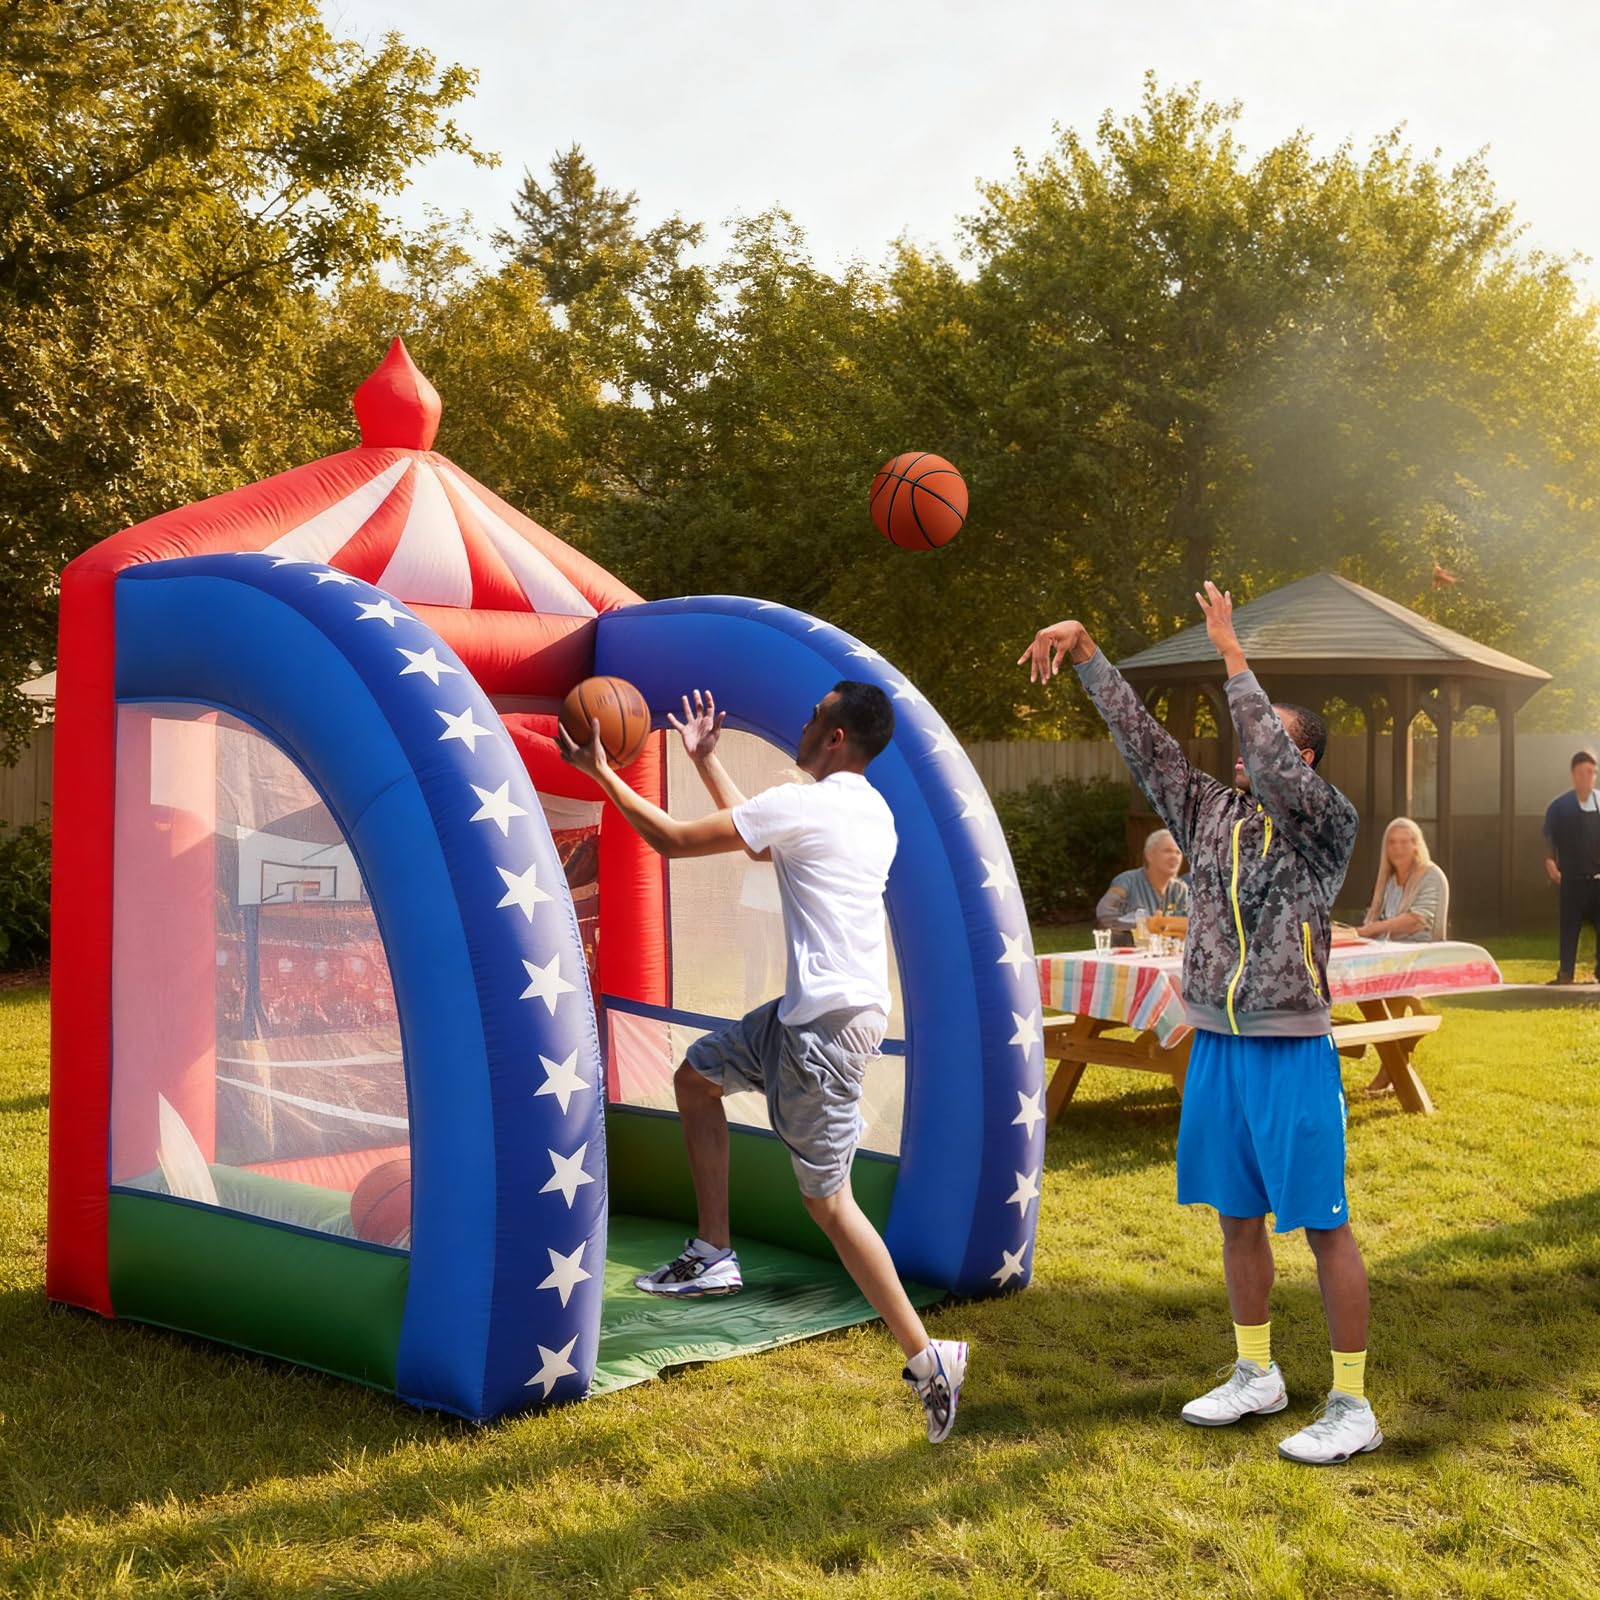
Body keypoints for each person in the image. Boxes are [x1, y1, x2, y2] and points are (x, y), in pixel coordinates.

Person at [1019, 583, 1379, 1466]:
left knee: (1323, 1223)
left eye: (1275, 742)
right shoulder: (1210, 812)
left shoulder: (1326, 827)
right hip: (1218, 1042)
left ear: (1305, 760)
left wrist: (1231, 655)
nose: (1253, 751)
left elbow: (1270, 748)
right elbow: (1143, 743)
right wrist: (1089, 646)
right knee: (1235, 1216)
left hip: (1291, 1044)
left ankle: (1352, 1402)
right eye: (1254, 741)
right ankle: (1257, 1373)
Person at [559, 684, 968, 1443]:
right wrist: (710, 763)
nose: (804, 721)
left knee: (829, 1204)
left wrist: (600, 773)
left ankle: (928, 1356)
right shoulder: (865, 806)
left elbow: (675, 841)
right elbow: (763, 836)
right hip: (807, 1015)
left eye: (814, 714)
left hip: (825, 1032)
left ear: (837, 735)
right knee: (697, 1077)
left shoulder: (809, 804)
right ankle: (714, 1251)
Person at [1356, 817, 1450, 1096]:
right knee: (1366, 992)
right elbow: (1379, 920)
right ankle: (1395, 1064)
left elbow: (1416, 921)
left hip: (1421, 957)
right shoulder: (1387, 880)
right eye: (1392, 842)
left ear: (1416, 845)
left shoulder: (1430, 874)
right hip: (1390, 958)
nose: (1397, 848)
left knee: (1386, 994)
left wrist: (1370, 929)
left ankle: (1391, 1068)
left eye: (1404, 842)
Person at [1542, 749, 1600, 986]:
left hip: (1598, 879)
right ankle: (1566, 972)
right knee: (1569, 927)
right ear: (1573, 774)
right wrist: (1550, 862)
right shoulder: (1559, 806)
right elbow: (1549, 836)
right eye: (1582, 772)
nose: (1587, 777)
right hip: (1572, 880)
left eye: (1591, 772)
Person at [1096, 828, 1190, 937]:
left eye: (1178, 852)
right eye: (1167, 851)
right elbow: (1104, 911)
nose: (1174, 857)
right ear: (1149, 855)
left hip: (1167, 952)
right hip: (1128, 950)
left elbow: (1190, 922)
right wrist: (1142, 926)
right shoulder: (1127, 881)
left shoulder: (1180, 889)